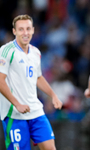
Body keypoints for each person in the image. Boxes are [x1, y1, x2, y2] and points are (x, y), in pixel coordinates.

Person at [0, 14, 63, 150]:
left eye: (28, 29)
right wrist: (17, 104)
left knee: (50, 148)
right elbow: (0, 81)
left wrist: (53, 95)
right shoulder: (6, 51)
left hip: (35, 110)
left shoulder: (36, 52)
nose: (25, 33)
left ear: (33, 30)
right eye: (21, 29)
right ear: (14, 31)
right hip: (14, 114)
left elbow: (38, 77)